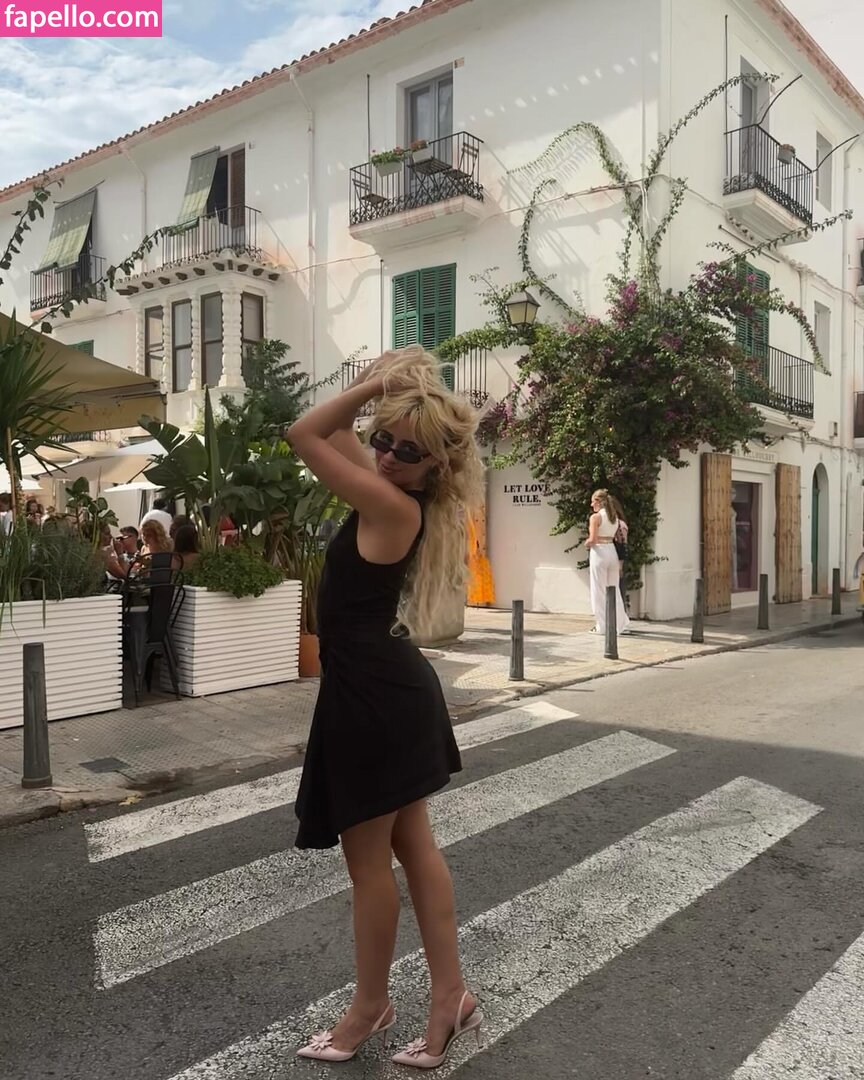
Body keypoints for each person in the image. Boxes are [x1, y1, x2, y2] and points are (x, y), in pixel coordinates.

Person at [287, 347, 484, 1069]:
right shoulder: (388, 490)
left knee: (369, 867)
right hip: (386, 690)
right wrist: (381, 394)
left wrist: (378, 386)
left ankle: (370, 1007)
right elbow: (335, 433)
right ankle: (450, 995)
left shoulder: (390, 503)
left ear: (437, 466)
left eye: (409, 450)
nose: (389, 455)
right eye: (385, 440)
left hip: (371, 698)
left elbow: (304, 433)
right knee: (413, 848)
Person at [586, 489, 631, 636]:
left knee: (598, 590)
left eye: (593, 501)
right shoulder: (614, 518)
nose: (591, 504)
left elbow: (593, 539)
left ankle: (602, 626)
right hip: (612, 552)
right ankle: (621, 624)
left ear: (599, 502)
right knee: (614, 589)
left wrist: (587, 543)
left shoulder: (595, 517)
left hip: (599, 552)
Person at [608, 494, 629, 605]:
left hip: (618, 560)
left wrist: (620, 565)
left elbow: (623, 545)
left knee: (618, 589)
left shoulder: (620, 524)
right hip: (611, 559)